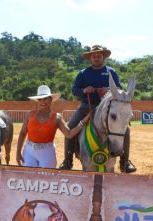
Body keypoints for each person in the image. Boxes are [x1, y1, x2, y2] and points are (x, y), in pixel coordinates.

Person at [59, 45, 137, 173]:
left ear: (103, 57)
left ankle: (124, 163)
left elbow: (118, 89)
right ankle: (68, 160)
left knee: (126, 130)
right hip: (86, 107)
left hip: (107, 108)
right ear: (90, 58)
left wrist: (108, 90)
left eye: (99, 55)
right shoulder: (83, 73)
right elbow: (74, 90)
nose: (96, 57)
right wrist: (84, 90)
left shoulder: (111, 72)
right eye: (94, 56)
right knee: (70, 127)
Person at [16, 85, 90, 168]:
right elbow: (22, 133)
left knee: (47, 178)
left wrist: (83, 121)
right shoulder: (30, 114)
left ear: (51, 100)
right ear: (37, 101)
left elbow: (69, 134)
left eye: (45, 99)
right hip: (29, 152)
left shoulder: (57, 117)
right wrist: (18, 153)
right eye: (40, 99)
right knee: (28, 177)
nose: (43, 102)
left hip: (47, 152)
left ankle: (68, 162)